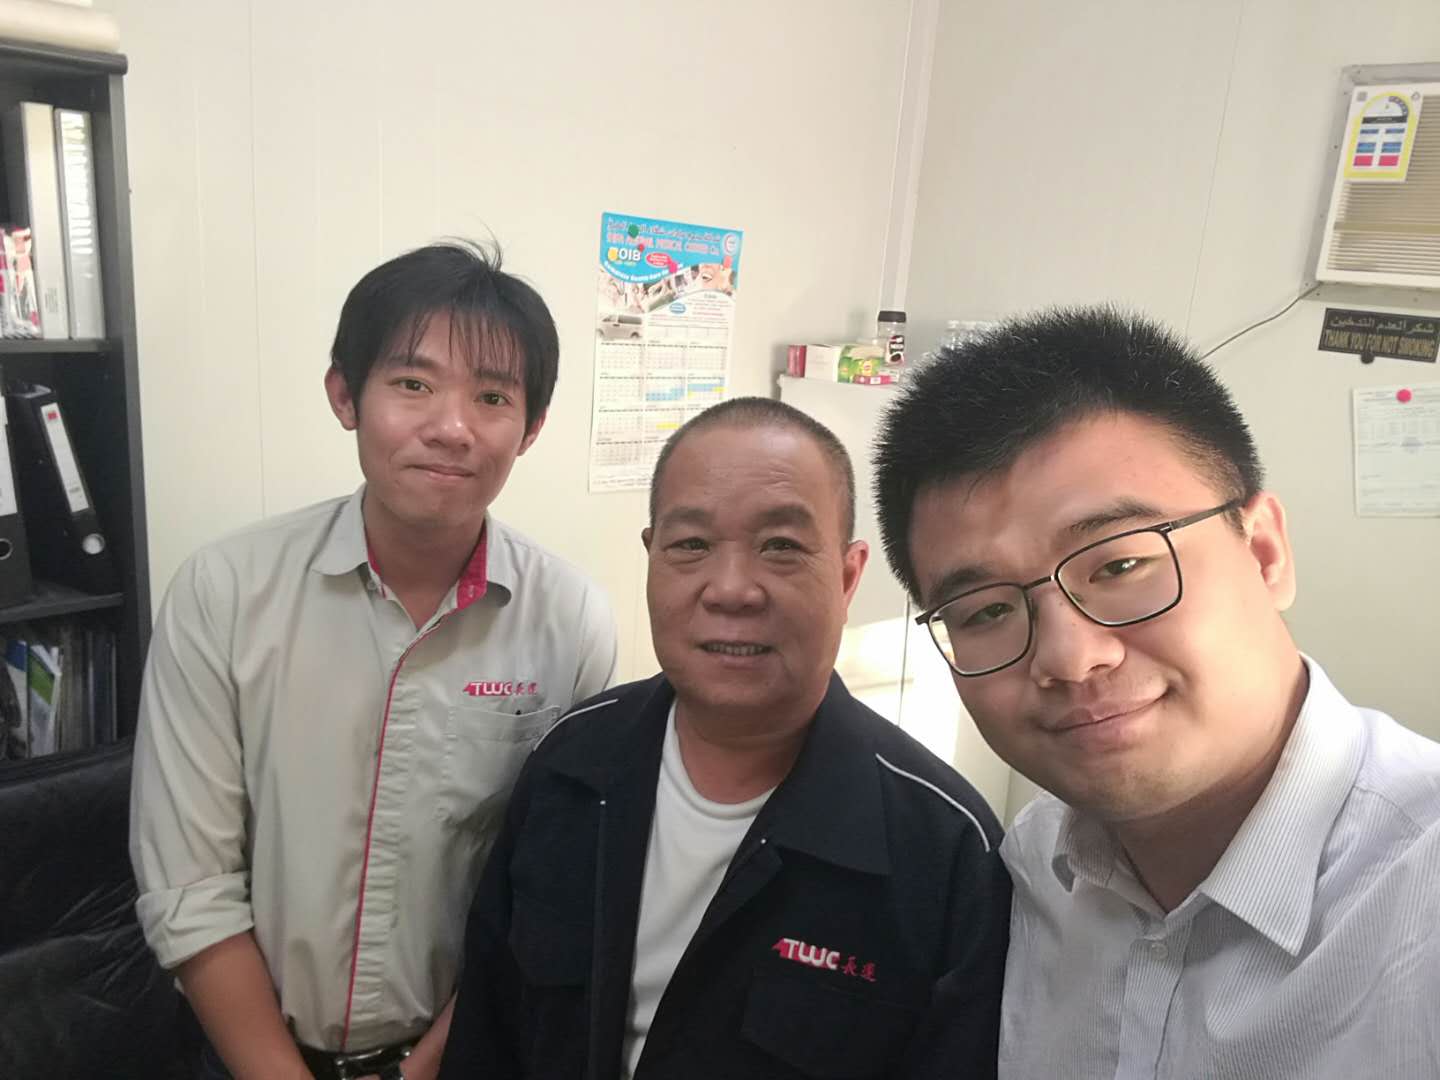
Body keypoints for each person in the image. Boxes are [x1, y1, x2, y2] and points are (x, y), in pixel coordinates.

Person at [872, 307, 1440, 1078]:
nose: (1071, 659)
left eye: (1119, 565)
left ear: (1265, 553)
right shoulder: (1034, 869)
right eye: (987, 612)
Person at [129, 241, 618, 1080]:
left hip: (464, 1056)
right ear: (345, 395)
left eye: (492, 397)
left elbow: (549, 887)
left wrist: (427, 1068)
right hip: (249, 1056)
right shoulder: (225, 593)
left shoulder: (570, 621)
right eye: (413, 384)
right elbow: (190, 887)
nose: (452, 428)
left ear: (531, 427)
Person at [438, 397, 1010, 1079]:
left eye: (781, 547)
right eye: (691, 545)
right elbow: (487, 1030)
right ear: (652, 557)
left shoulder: (945, 851)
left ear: (848, 575)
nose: (732, 590)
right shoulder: (569, 765)